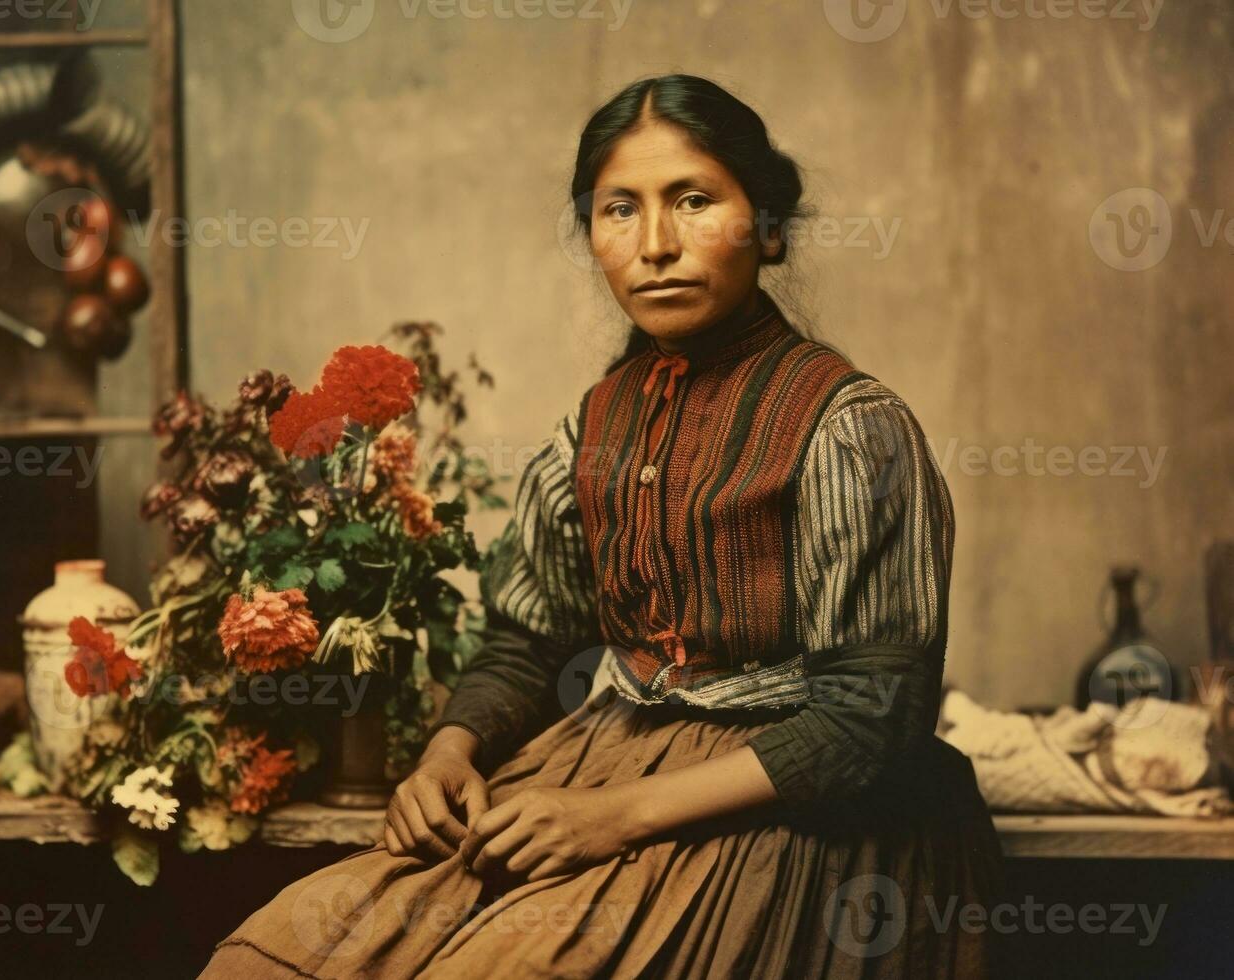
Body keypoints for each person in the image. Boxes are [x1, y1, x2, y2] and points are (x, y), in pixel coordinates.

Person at [201, 73, 1005, 979]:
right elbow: (526, 639)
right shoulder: (596, 423)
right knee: (282, 954)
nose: (655, 244)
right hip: (600, 764)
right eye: (619, 210)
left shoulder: (850, 427)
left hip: (790, 810)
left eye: (693, 201)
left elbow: (868, 723)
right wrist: (447, 750)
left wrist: (609, 817)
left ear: (768, 227)